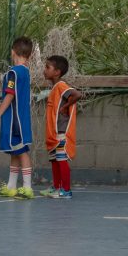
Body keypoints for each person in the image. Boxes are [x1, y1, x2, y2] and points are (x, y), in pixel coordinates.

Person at [0, 36, 35, 199]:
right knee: (15, 152)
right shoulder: (25, 71)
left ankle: (28, 188)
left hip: (16, 121)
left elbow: (10, 95)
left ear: (12, 52)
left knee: (22, 152)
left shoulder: (14, 72)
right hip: (21, 117)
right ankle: (11, 186)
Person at [40, 55, 82, 199]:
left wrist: (65, 106)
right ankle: (56, 187)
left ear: (57, 72)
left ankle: (66, 190)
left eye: (47, 67)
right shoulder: (55, 87)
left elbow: (77, 94)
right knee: (54, 160)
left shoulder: (61, 86)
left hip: (61, 131)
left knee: (61, 159)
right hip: (53, 132)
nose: (44, 70)